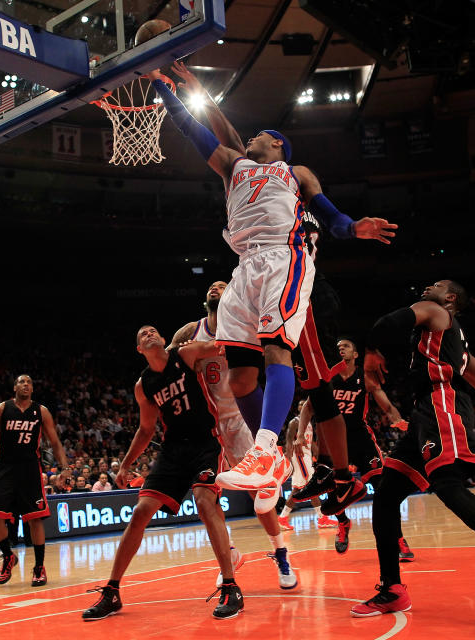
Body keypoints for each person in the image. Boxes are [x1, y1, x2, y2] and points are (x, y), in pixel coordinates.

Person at [150, 64, 395, 501]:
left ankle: (269, 452)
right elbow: (192, 128)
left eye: (257, 136)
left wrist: (355, 227)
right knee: (240, 379)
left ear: (277, 142)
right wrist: (161, 84)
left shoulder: (296, 172)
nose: (248, 140)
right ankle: (276, 457)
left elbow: (333, 216)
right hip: (243, 267)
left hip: (284, 259)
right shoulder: (232, 163)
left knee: (281, 351)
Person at [351, 280, 475, 617]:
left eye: (438, 284)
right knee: (386, 496)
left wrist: (371, 350)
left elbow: (386, 324)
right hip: (421, 416)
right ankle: (392, 589)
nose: (429, 285)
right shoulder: (457, 348)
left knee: (447, 485)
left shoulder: (434, 311)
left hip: (439, 404)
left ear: (450, 298)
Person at [81, 325, 244, 621]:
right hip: (172, 452)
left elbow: (221, 345)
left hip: (205, 442)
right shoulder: (143, 385)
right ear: (139, 350)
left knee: (205, 501)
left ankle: (231, 586)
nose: (149, 334)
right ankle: (112, 590)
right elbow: (146, 429)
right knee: (141, 511)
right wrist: (127, 463)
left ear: (164, 340)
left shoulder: (185, 354)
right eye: (142, 334)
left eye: (153, 330)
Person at [169, 280, 297, 589]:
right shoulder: (189, 332)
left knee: (258, 498)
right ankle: (229, 555)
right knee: (204, 498)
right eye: (212, 285)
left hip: (241, 420)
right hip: (207, 425)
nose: (215, 286)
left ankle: (280, 552)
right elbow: (166, 369)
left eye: (223, 284)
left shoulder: (245, 325)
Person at [312, 338, 413, 557]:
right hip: (334, 441)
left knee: (384, 489)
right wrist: (302, 433)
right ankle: (343, 523)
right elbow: (311, 406)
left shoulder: (364, 376)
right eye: (338, 346)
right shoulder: (329, 377)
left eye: (346, 346)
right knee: (330, 493)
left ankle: (398, 538)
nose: (341, 348)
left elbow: (385, 404)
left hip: (361, 439)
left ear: (356, 354)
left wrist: (397, 420)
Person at [0, 375, 68, 587]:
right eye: (21, 382)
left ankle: (39, 567)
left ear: (33, 389)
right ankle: (8, 556)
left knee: (35, 519)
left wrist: (66, 468)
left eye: (29, 383)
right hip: (5, 468)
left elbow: (55, 442)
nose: (25, 385)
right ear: (15, 387)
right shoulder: (1, 409)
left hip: (30, 470)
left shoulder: (41, 411)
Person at [277, 402, 334, 530]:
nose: (302, 406)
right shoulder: (294, 422)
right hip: (299, 456)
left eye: (305, 404)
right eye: (300, 405)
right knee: (311, 486)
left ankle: (282, 518)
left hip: (306, 456)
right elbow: (289, 441)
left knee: (299, 489)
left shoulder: (308, 424)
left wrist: (320, 455)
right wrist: (290, 460)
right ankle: (322, 518)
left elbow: (311, 443)